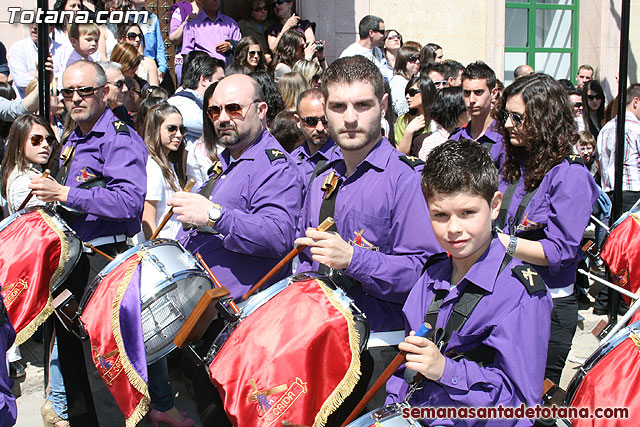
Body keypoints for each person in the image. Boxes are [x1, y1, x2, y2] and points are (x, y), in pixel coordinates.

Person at [294, 55, 440, 413]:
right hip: (319, 344)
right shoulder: (319, 179)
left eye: (362, 105)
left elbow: (422, 276)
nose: (350, 118)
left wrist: (354, 260)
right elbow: (303, 261)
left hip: (379, 349)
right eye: (338, 106)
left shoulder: (407, 180)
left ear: (384, 106)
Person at [386, 139, 552, 425]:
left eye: (467, 213)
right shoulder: (431, 276)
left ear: (495, 205)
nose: (453, 229)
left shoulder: (521, 294)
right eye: (440, 215)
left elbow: (520, 406)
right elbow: (407, 371)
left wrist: (445, 370)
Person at [29, 60, 147, 426]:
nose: (75, 98)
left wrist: (66, 193)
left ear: (104, 93)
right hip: (71, 264)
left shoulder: (119, 138)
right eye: (68, 92)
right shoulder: (71, 138)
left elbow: (129, 202)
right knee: (72, 362)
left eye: (84, 91)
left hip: (104, 261)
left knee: (106, 368)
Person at [493, 74, 599, 424]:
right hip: (503, 299)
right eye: (505, 116)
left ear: (545, 119)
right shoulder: (512, 165)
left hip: (547, 308)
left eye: (518, 118)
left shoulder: (571, 174)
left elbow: (561, 251)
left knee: (532, 410)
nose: (508, 125)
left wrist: (501, 245)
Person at [169, 73, 303, 300]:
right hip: (197, 302)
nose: (222, 118)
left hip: (238, 314)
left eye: (233, 109)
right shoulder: (225, 162)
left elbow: (279, 236)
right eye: (214, 111)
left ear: (261, 110)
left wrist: (213, 215)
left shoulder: (275, 167)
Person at [450, 61, 503, 167]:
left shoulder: (504, 140)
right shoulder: (455, 139)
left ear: (493, 93)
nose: (471, 99)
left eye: (478, 92)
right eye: (466, 93)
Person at [1, 114, 57, 214]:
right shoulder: (25, 183)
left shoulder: (33, 173)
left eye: (49, 140)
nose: (45, 145)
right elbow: (42, 223)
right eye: (36, 139)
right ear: (18, 144)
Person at [597, 83, 640, 212]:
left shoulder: (605, 129)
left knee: (617, 231)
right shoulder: (636, 128)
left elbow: (600, 163)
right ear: (636, 102)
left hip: (609, 194)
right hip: (633, 192)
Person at [168, 55, 225, 147]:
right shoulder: (180, 102)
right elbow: (209, 125)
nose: (222, 85)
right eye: (219, 80)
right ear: (204, 80)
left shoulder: (198, 102)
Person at [291, 88, 336, 190]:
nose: (320, 128)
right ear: (298, 121)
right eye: (311, 121)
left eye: (325, 120)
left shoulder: (344, 158)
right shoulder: (292, 159)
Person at [8, 23, 63, 99]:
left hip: (54, 106)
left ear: (51, 28)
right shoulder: (18, 48)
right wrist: (52, 80)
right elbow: (21, 82)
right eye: (32, 22)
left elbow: (65, 81)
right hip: (26, 107)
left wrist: (34, 74)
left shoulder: (63, 50)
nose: (34, 27)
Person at [417, 86, 468, 160]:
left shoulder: (470, 135)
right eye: (466, 107)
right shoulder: (432, 143)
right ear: (455, 110)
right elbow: (425, 169)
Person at [339, 15, 391, 82]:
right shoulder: (350, 53)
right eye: (382, 32)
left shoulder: (377, 51)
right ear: (371, 33)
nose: (384, 36)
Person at [394, 74, 436, 156]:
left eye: (412, 92)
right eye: (406, 93)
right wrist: (409, 131)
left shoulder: (439, 118)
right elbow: (401, 154)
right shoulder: (403, 120)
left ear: (425, 92)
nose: (407, 96)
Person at [128, 0, 168, 83]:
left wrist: (162, 68)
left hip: (150, 65)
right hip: (130, 64)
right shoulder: (125, 17)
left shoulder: (152, 18)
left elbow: (159, 46)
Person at [168, 0, 200, 85]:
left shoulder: (212, 11)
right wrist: (186, 22)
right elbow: (173, 38)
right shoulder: (181, 10)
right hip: (186, 63)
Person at [96, 61, 133, 126]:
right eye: (119, 84)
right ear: (103, 88)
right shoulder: (90, 115)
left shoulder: (121, 111)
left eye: (125, 82)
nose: (125, 89)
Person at [389, 45, 420, 116]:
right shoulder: (398, 82)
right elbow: (400, 110)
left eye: (419, 58)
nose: (418, 61)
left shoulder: (414, 79)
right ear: (403, 61)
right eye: (413, 59)